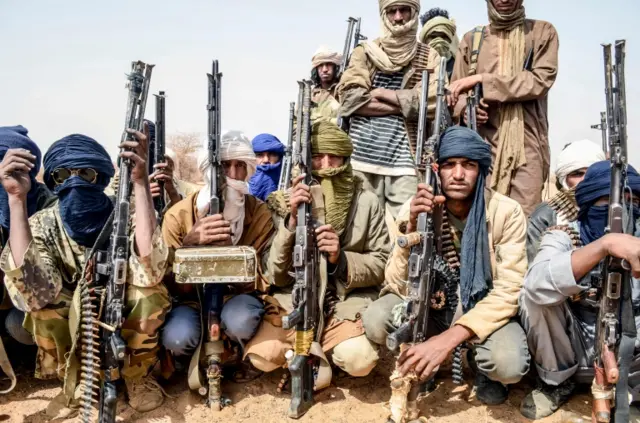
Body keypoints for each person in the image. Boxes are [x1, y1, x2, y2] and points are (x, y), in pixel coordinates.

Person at [0, 130, 170, 417]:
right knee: (43, 307)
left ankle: (137, 376)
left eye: (87, 174)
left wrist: (140, 183)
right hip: (72, 319)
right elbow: (33, 294)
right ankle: (76, 380)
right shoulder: (42, 223)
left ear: (102, 178)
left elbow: (151, 269)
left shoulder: (125, 213)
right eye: (63, 175)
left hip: (122, 311)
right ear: (53, 181)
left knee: (149, 293)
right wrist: (16, 200)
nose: (75, 182)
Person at [363, 126, 529, 409]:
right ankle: (420, 359)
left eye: (469, 165)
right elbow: (395, 283)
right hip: (434, 305)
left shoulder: (506, 211)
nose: (459, 174)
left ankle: (481, 366)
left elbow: (510, 290)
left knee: (508, 364)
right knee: (377, 319)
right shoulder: (416, 208)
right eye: (449, 165)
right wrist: (413, 229)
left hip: (482, 307)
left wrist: (448, 340)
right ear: (437, 171)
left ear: (482, 170)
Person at [245, 121, 387, 381]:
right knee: (261, 358)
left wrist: (340, 259)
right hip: (294, 300)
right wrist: (290, 225)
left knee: (359, 361)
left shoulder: (367, 201)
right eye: (318, 157)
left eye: (334, 157)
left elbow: (381, 262)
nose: (325, 165)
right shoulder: (282, 202)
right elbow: (272, 273)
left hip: (343, 303)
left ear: (345, 158)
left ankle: (328, 352)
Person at [519, 161, 640, 420]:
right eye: (605, 201)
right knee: (533, 297)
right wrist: (603, 246)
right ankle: (556, 384)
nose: (624, 214)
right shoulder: (565, 235)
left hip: (631, 350)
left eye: (634, 203)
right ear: (587, 204)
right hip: (573, 346)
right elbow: (537, 285)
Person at [161, 131, 275, 387]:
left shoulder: (259, 214)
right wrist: (190, 248)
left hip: (236, 297)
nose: (231, 174)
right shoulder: (177, 215)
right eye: (223, 165)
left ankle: (240, 356)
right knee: (177, 337)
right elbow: (166, 281)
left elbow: (266, 277)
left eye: (239, 166)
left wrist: (231, 259)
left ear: (248, 170)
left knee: (241, 320)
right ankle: (189, 359)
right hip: (191, 300)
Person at [448, 0, 559, 216]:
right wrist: (467, 111)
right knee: (482, 218)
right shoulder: (473, 40)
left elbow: (539, 81)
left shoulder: (542, 32)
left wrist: (483, 80)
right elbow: (454, 93)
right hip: (482, 144)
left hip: (526, 145)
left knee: (525, 221)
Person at [336, 0, 443, 219]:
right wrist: (406, 105)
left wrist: (383, 93)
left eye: (404, 10)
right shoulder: (365, 52)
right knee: (360, 234)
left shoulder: (429, 55)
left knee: (406, 232)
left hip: (406, 163)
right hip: (361, 159)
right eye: (392, 11)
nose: (398, 17)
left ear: (414, 12)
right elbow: (349, 99)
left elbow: (433, 102)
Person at [0, 126, 57, 393]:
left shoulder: (48, 206)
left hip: (28, 307)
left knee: (17, 325)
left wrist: (16, 200)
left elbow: (38, 289)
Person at [527, 140, 606, 263]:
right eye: (577, 174)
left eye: (591, 173)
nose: (585, 180)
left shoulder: (620, 207)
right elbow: (538, 270)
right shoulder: (546, 215)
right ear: (563, 180)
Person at [419, 8, 459, 79]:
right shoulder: (417, 64)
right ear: (424, 39)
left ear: (450, 38)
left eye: (443, 36)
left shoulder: (458, 65)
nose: (439, 40)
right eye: (433, 37)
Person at [310, 46, 343, 125]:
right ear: (316, 70)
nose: (325, 69)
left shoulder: (343, 90)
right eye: (321, 65)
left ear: (335, 67)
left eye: (328, 64)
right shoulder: (310, 95)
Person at [248, 133, 285, 202]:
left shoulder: (290, 189)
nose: (266, 160)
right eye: (259, 155)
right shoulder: (240, 190)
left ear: (280, 158)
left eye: (272, 154)